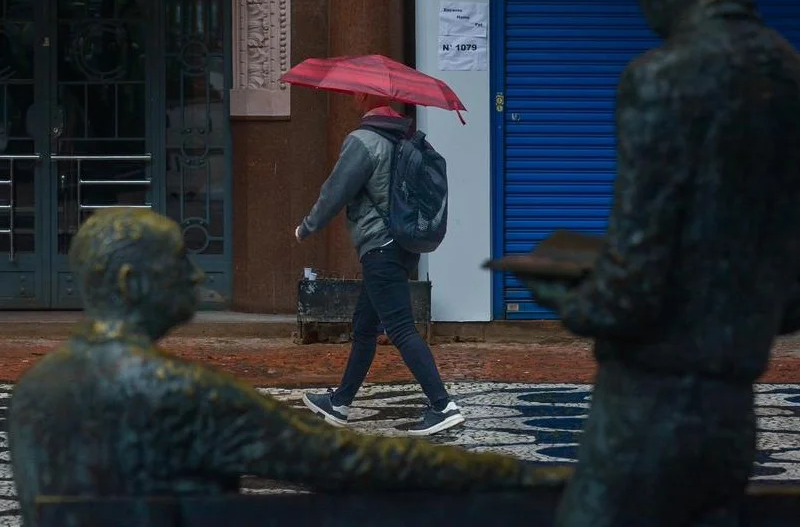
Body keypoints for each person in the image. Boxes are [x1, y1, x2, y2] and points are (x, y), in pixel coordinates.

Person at [8, 208, 565, 527]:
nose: (197, 281)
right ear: (132, 285)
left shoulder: (34, 392)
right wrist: (525, 477)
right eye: (179, 267)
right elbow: (348, 461)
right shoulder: (181, 395)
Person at [524, 0, 800, 525]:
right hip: (732, 416)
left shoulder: (661, 79)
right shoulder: (787, 72)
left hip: (646, 412)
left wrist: (565, 296)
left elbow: (630, 290)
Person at [295, 93, 463, 436]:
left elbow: (335, 191)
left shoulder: (364, 141)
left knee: (400, 328)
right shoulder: (403, 138)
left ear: (364, 98)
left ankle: (442, 405)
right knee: (364, 327)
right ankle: (340, 403)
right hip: (402, 245)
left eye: (357, 95)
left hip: (380, 247)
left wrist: (307, 226)